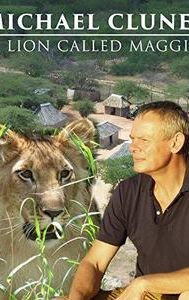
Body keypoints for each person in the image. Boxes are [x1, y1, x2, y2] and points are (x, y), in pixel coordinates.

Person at [53, 101, 189, 300]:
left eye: (144, 140)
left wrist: (143, 283)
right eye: (133, 139)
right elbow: (95, 262)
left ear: (175, 143)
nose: (133, 147)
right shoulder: (129, 191)